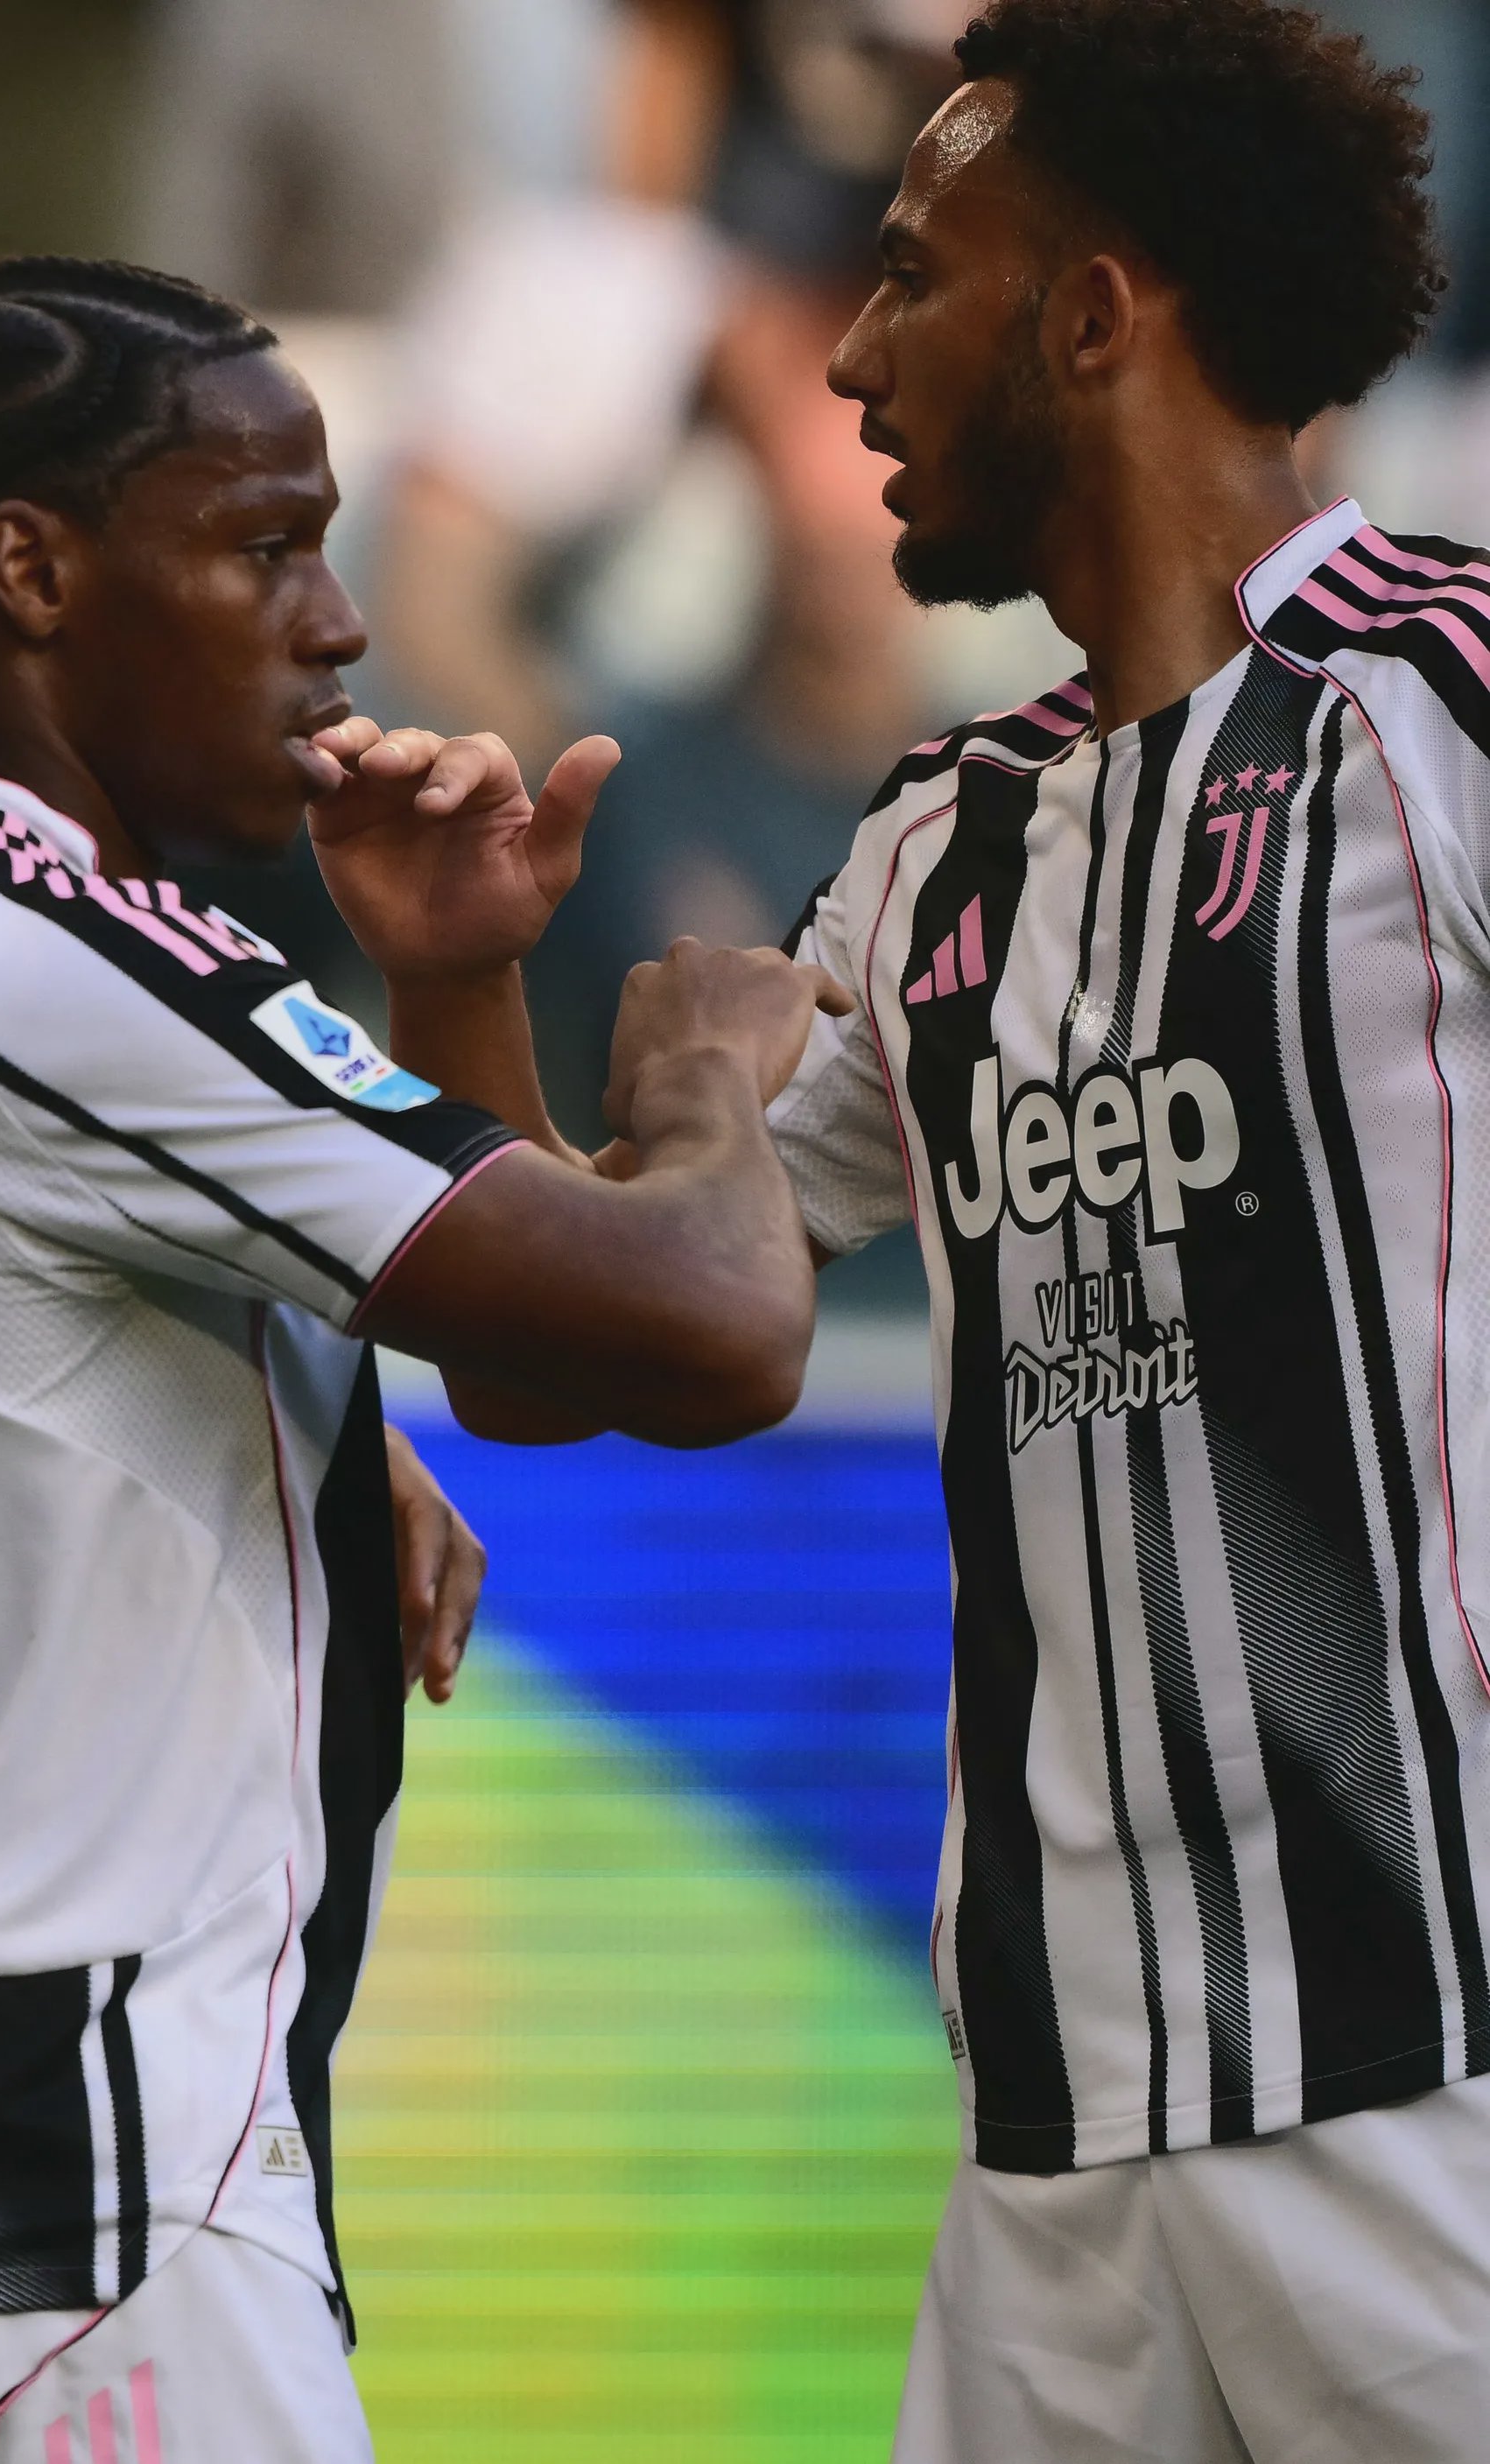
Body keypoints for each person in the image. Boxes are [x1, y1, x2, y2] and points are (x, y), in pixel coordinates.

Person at [0, 256, 839, 2463]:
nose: (338, 621)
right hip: (44, 2171)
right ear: (33, 570)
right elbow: (713, 1327)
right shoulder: (55, 946)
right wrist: (705, 1085)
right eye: (261, 544)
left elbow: (516, 1372)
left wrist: (452, 986)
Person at [766, 3, 1490, 2453]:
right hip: (1054, 2155)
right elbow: (631, 1334)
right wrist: (456, 969)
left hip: (1434, 2077)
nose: (849, 354)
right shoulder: (929, 837)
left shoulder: (1442, 703)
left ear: (1087, 312)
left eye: (906, 275)